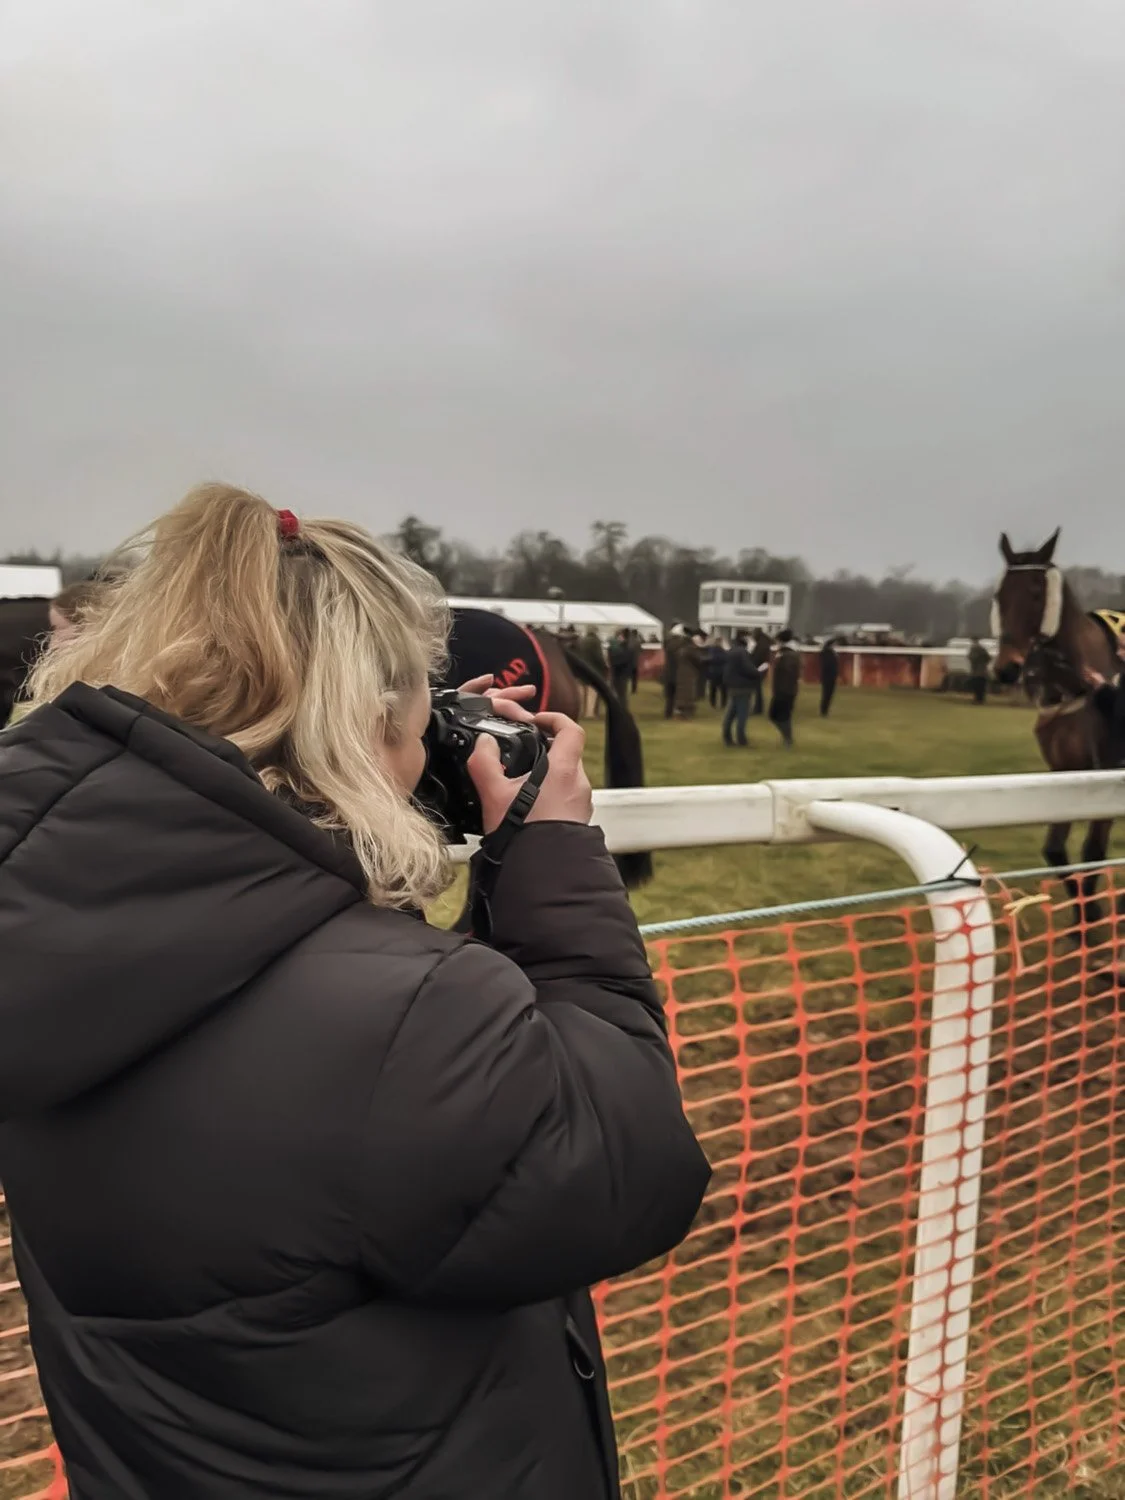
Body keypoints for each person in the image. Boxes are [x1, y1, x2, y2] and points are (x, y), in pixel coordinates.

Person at [0, 483, 710, 1500]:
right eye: (420, 722)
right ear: (369, 725)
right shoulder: (402, 1025)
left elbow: (364, 1101)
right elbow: (621, 1165)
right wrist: (553, 856)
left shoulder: (63, 944)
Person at [721, 632, 759, 747]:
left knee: (730, 714)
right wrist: (758, 672)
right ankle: (741, 740)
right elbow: (748, 669)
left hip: (732, 686)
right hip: (743, 687)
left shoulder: (731, 652)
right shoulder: (743, 653)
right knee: (742, 715)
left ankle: (727, 737)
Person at [769, 628, 801, 747]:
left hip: (784, 690)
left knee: (778, 715)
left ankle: (788, 738)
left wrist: (782, 690)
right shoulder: (788, 653)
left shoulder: (787, 655)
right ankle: (787, 737)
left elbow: (788, 673)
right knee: (779, 715)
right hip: (785, 689)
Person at [577, 625, 607, 718]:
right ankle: (589, 713)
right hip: (593, 669)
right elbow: (598, 656)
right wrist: (604, 666)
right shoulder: (595, 641)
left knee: (581, 691)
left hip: (581, 668)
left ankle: (581, 711)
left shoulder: (581, 640)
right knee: (592, 692)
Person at [675, 631, 704, 718]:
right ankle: (687, 712)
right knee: (688, 692)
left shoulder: (681, 649)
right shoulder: (690, 649)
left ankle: (680, 710)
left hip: (681, 672)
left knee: (682, 692)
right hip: (689, 672)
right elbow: (698, 660)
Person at [661, 623, 684, 719]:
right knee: (676, 694)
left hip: (668, 671)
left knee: (669, 696)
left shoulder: (667, 644)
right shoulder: (679, 646)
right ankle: (675, 712)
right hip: (677, 672)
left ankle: (668, 713)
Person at [607, 627, 633, 702]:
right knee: (619, 694)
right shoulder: (624, 645)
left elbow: (619, 660)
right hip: (620, 673)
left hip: (619, 673)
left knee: (620, 694)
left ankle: (621, 710)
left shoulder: (624, 646)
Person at [749, 628, 771, 715]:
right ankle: (758, 708)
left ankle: (757, 708)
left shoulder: (761, 644)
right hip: (762, 668)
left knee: (756, 689)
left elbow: (757, 658)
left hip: (759, 668)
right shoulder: (764, 642)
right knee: (757, 689)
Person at [706, 637, 729, 709]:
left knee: (713, 689)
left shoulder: (711, 651)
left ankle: (713, 703)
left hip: (714, 671)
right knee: (723, 690)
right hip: (722, 672)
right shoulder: (725, 651)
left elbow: (709, 660)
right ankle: (723, 704)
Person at [819, 637, 839, 717]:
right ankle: (824, 711)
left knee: (828, 694)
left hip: (830, 676)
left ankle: (825, 710)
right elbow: (828, 665)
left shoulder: (829, 652)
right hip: (828, 676)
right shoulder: (827, 653)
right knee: (827, 694)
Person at [967, 637, 991, 705]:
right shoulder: (982, 649)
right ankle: (980, 700)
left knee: (977, 686)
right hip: (982, 671)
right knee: (981, 687)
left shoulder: (974, 649)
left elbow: (971, 658)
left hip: (977, 672)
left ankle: (978, 700)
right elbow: (988, 658)